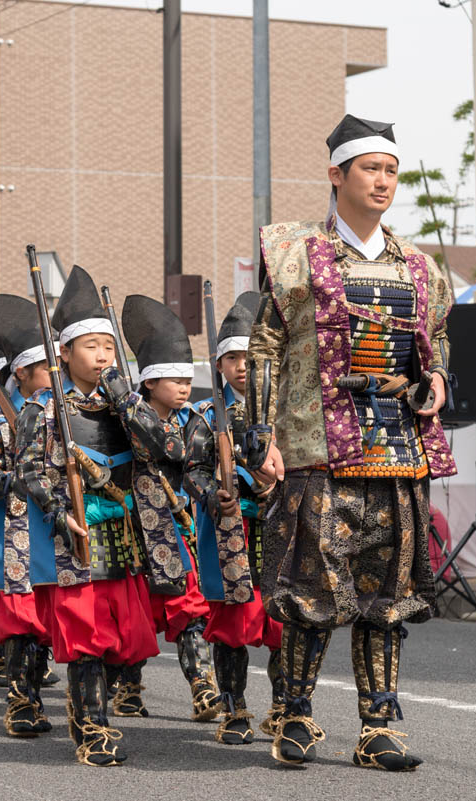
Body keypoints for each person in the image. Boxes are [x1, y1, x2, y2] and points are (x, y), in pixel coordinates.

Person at [246, 114, 455, 771]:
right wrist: (261, 433)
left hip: (394, 452)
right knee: (312, 591)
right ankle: (297, 715)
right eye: (371, 168)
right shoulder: (293, 252)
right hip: (314, 448)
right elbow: (264, 345)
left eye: (392, 170)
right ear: (337, 173)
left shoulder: (420, 267)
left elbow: (435, 341)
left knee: (384, 597)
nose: (384, 181)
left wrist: (437, 377)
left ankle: (378, 726)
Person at [15, 266, 167, 767]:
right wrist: (59, 513)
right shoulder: (41, 408)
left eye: (108, 345)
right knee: (85, 634)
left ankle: (100, 714)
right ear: (64, 353)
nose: (101, 355)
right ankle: (92, 728)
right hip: (75, 532)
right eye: (90, 346)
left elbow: (165, 448)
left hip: (122, 531)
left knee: (119, 636)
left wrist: (128, 399)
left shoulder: (128, 402)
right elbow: (28, 472)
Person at [186, 291, 285, 745]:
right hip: (233, 529)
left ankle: (286, 708)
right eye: (231, 358)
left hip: (282, 526)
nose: (242, 365)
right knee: (232, 623)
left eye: (250, 356)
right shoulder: (207, 415)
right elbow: (193, 470)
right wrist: (213, 494)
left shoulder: (288, 413)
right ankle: (234, 709)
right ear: (220, 366)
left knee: (287, 619)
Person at [117, 294, 218, 723]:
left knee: (189, 608)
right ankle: (127, 689)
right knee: (135, 615)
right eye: (173, 378)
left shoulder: (194, 420)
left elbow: (186, 460)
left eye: (186, 378)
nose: (183, 386)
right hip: (131, 527)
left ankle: (204, 688)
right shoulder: (120, 416)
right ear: (149, 382)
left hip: (178, 528)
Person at [0, 293, 60, 737]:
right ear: (21, 371)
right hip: (11, 529)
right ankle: (22, 701)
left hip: (53, 525)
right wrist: (18, 480)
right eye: (45, 367)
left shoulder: (64, 415)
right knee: (21, 620)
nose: (53, 375)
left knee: (47, 613)